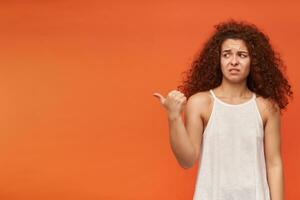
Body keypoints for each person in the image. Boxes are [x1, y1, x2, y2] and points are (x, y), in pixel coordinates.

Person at [153, 19, 293, 200]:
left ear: (254, 61)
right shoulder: (200, 103)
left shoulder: (266, 107)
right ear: (217, 60)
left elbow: (274, 164)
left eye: (242, 55)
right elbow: (187, 160)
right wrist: (174, 117)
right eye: (227, 54)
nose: (233, 61)